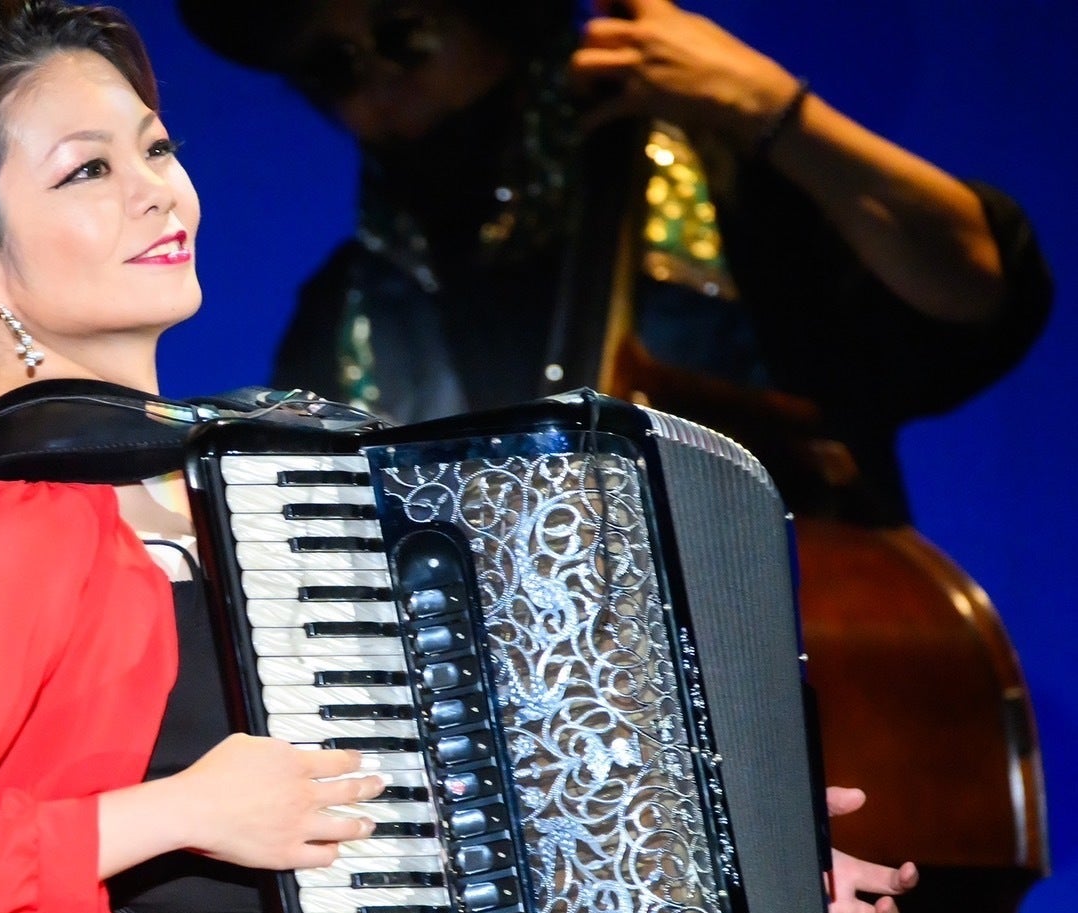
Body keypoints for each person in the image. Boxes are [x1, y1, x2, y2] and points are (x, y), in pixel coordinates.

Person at [0, 2, 914, 913]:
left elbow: (435, 804)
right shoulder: (18, 517)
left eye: (155, 147)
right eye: (86, 171)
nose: (157, 189)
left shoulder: (258, 487)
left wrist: (709, 859)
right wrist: (180, 812)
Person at [177, 0, 1053, 526]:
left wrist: (773, 112)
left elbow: (979, 286)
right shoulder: (344, 309)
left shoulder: (719, 181)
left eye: (406, 33)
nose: (377, 80)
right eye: (331, 65)